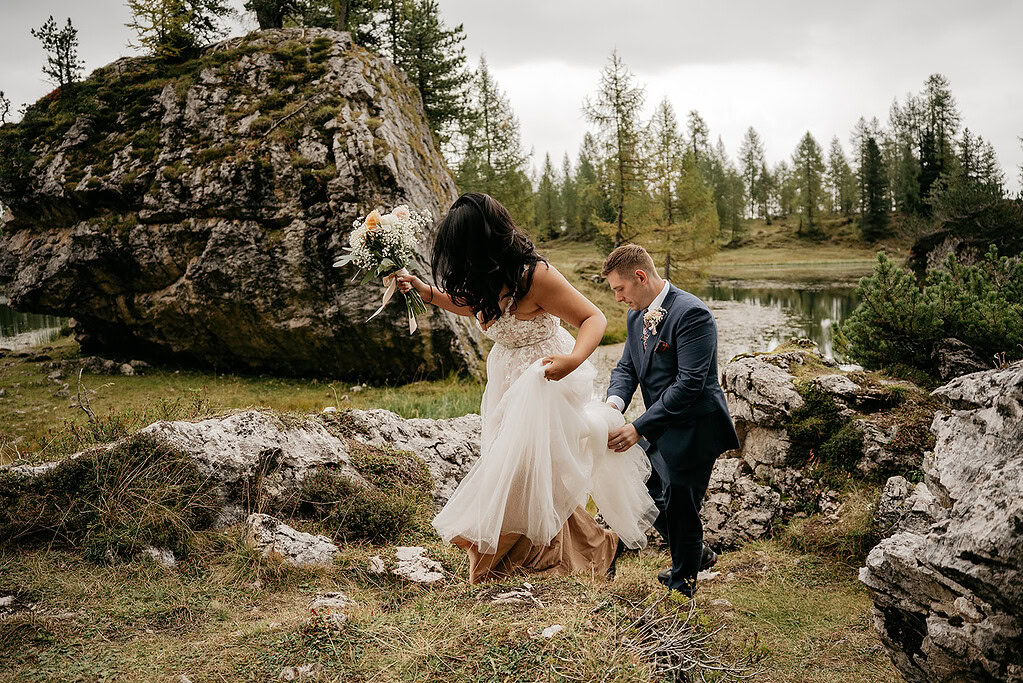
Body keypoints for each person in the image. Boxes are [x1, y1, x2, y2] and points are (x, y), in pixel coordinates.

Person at [396, 193, 657, 584]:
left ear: (483, 243)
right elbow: (470, 305)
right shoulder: (482, 275)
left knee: (524, 468)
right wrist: (424, 291)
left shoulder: (535, 276)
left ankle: (494, 558)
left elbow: (593, 317)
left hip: (547, 377)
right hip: (506, 377)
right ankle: (598, 547)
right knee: (530, 469)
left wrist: (571, 362)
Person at [602, 244, 740, 597]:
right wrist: (615, 405)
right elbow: (627, 367)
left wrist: (638, 427)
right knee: (644, 493)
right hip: (663, 425)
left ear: (640, 276)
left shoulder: (693, 314)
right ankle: (697, 553)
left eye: (620, 289)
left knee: (680, 503)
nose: (618, 298)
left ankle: (683, 587)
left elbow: (690, 385)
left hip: (696, 427)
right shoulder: (637, 316)